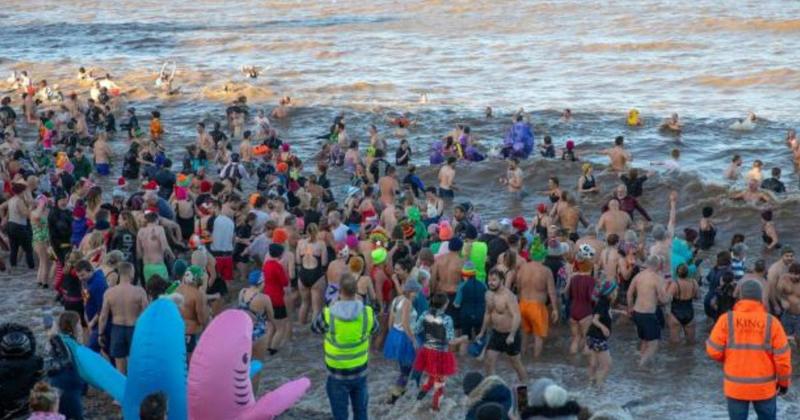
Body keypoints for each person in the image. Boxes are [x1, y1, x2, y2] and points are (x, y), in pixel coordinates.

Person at [706, 280, 791, 420]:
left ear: (740, 297)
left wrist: (729, 357)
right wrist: (783, 383)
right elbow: (783, 360)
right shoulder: (772, 323)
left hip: (736, 387)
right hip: (764, 388)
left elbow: (713, 351)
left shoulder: (726, 320)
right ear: (760, 298)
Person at [312, 273, 378, 420]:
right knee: (361, 412)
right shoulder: (367, 313)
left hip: (336, 373)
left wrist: (330, 304)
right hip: (359, 370)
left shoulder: (328, 314)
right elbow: (375, 329)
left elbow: (314, 328)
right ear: (356, 291)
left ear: (339, 291)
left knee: (340, 415)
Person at [98, 262, 148, 374]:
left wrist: (100, 334)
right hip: (134, 329)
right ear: (131, 273)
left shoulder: (109, 292)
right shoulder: (139, 291)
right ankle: (135, 389)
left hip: (117, 329)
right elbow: (147, 314)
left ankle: (122, 389)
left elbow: (103, 316)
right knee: (136, 364)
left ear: (119, 274)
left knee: (120, 367)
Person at [478, 269, 527, 383]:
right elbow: (487, 314)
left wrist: (512, 335)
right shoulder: (488, 294)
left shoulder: (509, 296)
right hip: (496, 333)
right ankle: (493, 388)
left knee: (516, 364)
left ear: (502, 280)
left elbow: (517, 316)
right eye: (489, 280)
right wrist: (481, 332)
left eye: (494, 280)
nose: (491, 282)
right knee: (489, 362)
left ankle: (524, 390)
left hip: (510, 334)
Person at [413, 293, 458, 411]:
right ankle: (435, 410)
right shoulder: (447, 319)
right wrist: (463, 339)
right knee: (440, 382)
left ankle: (417, 402)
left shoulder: (424, 314)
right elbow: (450, 340)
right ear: (444, 305)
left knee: (431, 377)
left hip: (427, 351)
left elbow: (416, 330)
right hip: (440, 353)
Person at [383, 278, 421, 404]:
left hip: (395, 334)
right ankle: (395, 395)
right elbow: (405, 323)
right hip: (404, 336)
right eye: (416, 292)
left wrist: (391, 335)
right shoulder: (407, 303)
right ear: (410, 291)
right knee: (406, 369)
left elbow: (391, 319)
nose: (417, 294)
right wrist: (413, 340)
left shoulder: (396, 300)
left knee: (403, 366)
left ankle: (401, 389)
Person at [627, 255, 668, 367]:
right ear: (658, 265)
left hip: (637, 312)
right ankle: (641, 366)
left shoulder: (638, 276)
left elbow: (629, 294)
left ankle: (641, 360)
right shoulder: (657, 278)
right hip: (648, 314)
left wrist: (630, 308)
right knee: (654, 343)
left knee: (644, 340)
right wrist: (669, 296)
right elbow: (663, 299)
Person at [46, 311, 85, 420]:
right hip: (69, 388)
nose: (81, 327)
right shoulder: (72, 345)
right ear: (74, 327)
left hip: (58, 386)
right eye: (79, 324)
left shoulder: (58, 340)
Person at [565, 245, 596, 355]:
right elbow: (592, 298)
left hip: (573, 310)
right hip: (585, 311)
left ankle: (573, 360)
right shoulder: (591, 280)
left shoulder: (574, 278)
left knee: (576, 338)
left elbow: (567, 294)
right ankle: (582, 365)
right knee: (587, 338)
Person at [586, 281, 617, 387]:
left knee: (594, 363)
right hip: (598, 337)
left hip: (592, 336)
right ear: (610, 293)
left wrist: (619, 312)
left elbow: (605, 312)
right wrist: (603, 327)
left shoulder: (605, 302)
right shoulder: (603, 303)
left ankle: (591, 384)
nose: (616, 292)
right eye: (615, 290)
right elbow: (594, 319)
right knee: (607, 365)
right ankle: (599, 387)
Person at [263, 243, 290, 355]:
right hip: (277, 299)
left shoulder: (266, 264)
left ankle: (265, 348)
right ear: (280, 254)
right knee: (281, 328)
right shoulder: (277, 266)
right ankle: (273, 350)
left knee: (270, 327)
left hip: (266, 297)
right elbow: (285, 282)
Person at [666, 263, 699, 344]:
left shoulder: (675, 284)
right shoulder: (694, 282)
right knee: (691, 343)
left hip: (676, 313)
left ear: (677, 273)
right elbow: (697, 297)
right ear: (688, 273)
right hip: (689, 312)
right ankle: (689, 356)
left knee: (674, 344)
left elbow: (666, 299)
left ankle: (676, 356)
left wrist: (667, 285)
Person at [775, 263, 800, 345]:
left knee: (798, 339)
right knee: (784, 338)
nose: (794, 276)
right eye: (792, 274)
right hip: (787, 315)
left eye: (797, 274)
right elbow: (777, 293)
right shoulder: (783, 279)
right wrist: (782, 300)